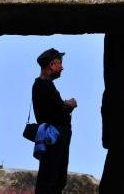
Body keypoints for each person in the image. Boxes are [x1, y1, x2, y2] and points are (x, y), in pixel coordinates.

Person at [32, 48, 77, 194]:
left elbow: (55, 107)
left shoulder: (45, 85)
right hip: (53, 139)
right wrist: (69, 105)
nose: (62, 67)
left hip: (55, 139)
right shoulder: (42, 85)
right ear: (52, 65)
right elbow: (57, 111)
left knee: (56, 179)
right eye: (60, 63)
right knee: (51, 179)